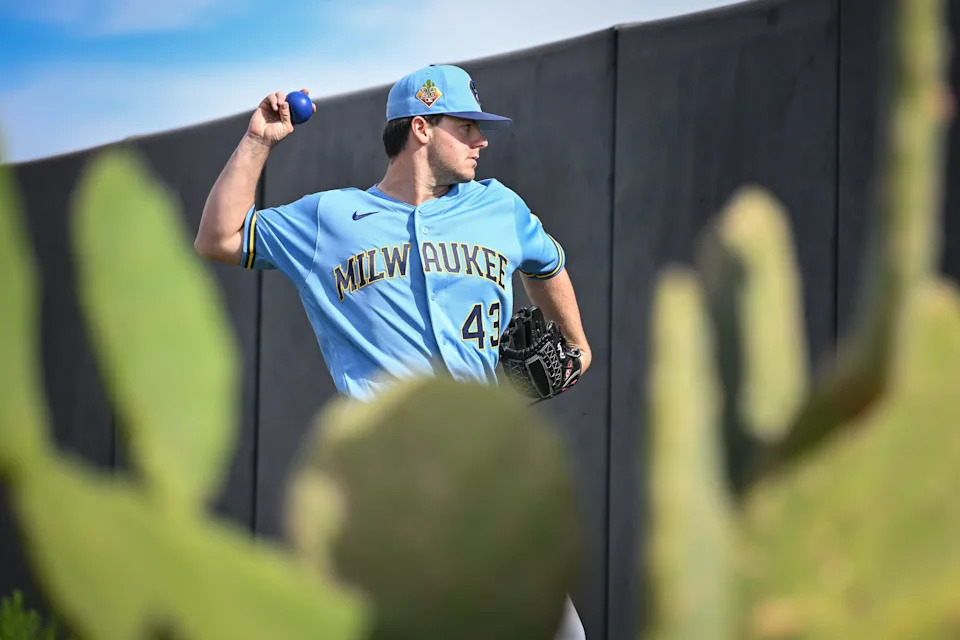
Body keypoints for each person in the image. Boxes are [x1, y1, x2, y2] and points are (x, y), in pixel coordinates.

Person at [194, 64, 591, 639]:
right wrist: (258, 141)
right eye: (467, 126)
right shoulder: (331, 219)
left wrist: (575, 345)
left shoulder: (498, 207)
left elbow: (548, 262)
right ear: (422, 128)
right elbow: (220, 237)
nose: (481, 140)